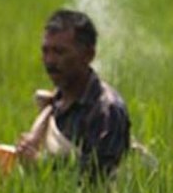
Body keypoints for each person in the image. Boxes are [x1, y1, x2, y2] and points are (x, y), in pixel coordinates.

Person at [16, 10, 131, 181]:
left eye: (59, 52)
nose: (50, 61)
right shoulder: (54, 103)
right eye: (45, 51)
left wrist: (41, 164)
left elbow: (99, 177)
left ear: (88, 55)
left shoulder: (106, 110)